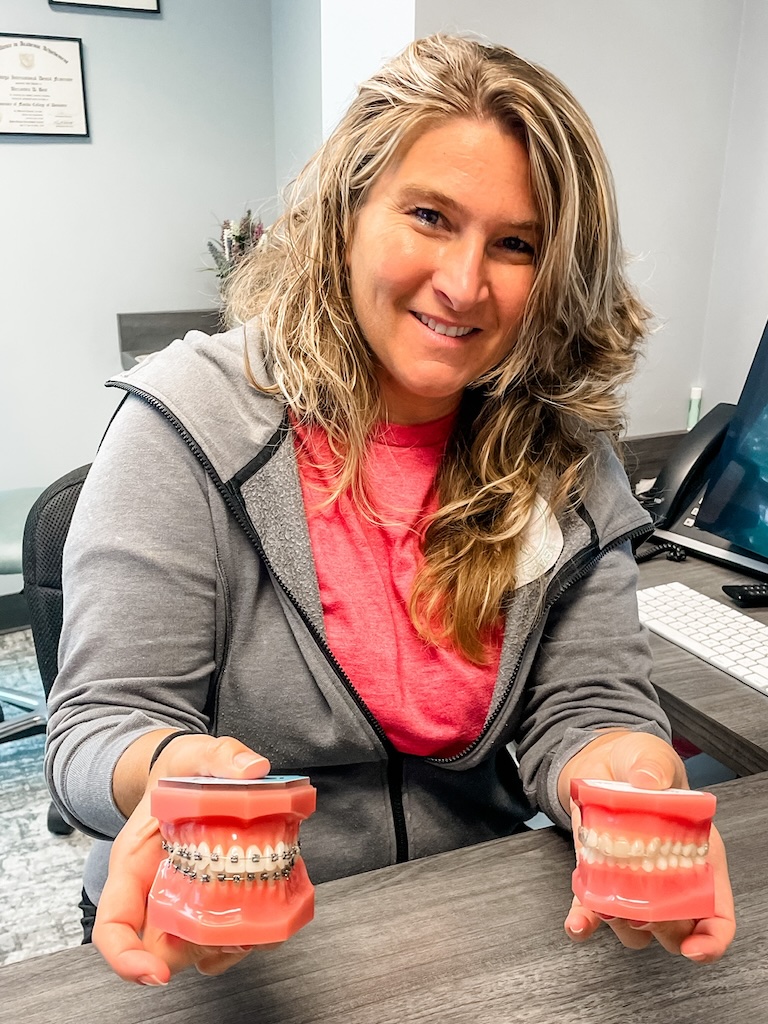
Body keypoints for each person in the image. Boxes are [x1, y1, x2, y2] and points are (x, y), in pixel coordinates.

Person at [44, 33, 735, 985]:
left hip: (477, 913)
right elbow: (97, 724)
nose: (463, 283)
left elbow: (589, 704)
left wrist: (625, 780)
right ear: (347, 211)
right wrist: (175, 772)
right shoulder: (187, 420)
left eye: (516, 245)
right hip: (225, 930)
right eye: (428, 215)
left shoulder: (562, 456)